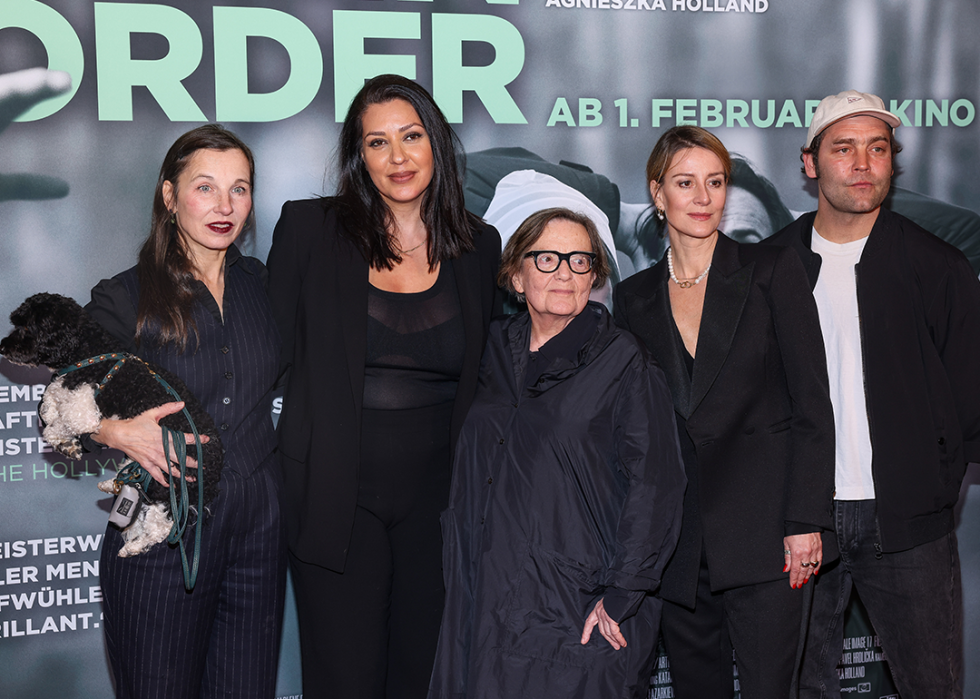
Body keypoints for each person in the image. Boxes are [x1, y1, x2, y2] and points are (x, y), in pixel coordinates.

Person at [266, 74, 501, 698]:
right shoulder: (309, 231)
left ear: (437, 145)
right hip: (335, 502)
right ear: (358, 155)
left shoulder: (480, 247)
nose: (397, 158)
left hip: (441, 508)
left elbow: (493, 376)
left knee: (421, 678)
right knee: (345, 680)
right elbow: (263, 355)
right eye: (377, 143)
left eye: (411, 136)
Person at [767, 89, 980, 699]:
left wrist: (933, 485)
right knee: (795, 689)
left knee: (932, 687)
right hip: (802, 525)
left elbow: (970, 392)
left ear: (893, 162)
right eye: (843, 148)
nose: (862, 164)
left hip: (910, 524)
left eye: (877, 148)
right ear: (810, 163)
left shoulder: (937, 266)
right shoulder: (768, 265)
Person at [613, 125, 836, 699]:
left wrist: (804, 521)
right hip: (679, 548)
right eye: (686, 183)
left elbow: (813, 403)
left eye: (715, 182)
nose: (703, 197)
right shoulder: (633, 297)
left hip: (767, 538)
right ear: (658, 194)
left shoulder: (772, 271)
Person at [428, 207, 686, 699]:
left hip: (579, 611)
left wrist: (621, 595)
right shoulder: (489, 354)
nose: (565, 272)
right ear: (515, 277)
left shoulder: (626, 363)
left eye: (579, 260)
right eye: (546, 259)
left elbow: (658, 485)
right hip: (481, 602)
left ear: (595, 275)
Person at [85, 124, 286, 698]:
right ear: (169, 196)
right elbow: (64, 397)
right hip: (159, 528)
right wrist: (116, 430)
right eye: (206, 187)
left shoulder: (265, 286)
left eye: (239, 189)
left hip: (258, 527)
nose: (225, 206)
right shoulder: (125, 296)